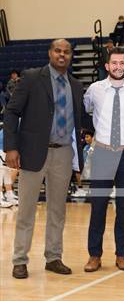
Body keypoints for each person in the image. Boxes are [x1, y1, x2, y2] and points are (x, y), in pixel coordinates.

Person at [4, 39, 85, 279]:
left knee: (57, 210)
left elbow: (80, 123)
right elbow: (11, 112)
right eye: (57, 51)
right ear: (50, 53)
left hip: (63, 152)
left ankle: (53, 257)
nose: (62, 55)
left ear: (71, 56)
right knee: (27, 209)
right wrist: (11, 147)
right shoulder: (31, 77)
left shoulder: (76, 85)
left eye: (66, 52)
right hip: (32, 153)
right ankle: (20, 260)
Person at [82, 47, 124, 272]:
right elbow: (87, 111)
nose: (118, 66)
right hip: (102, 153)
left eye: (122, 63)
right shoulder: (94, 90)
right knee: (98, 207)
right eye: (114, 63)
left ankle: (121, 254)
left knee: (123, 208)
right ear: (107, 66)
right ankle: (94, 255)